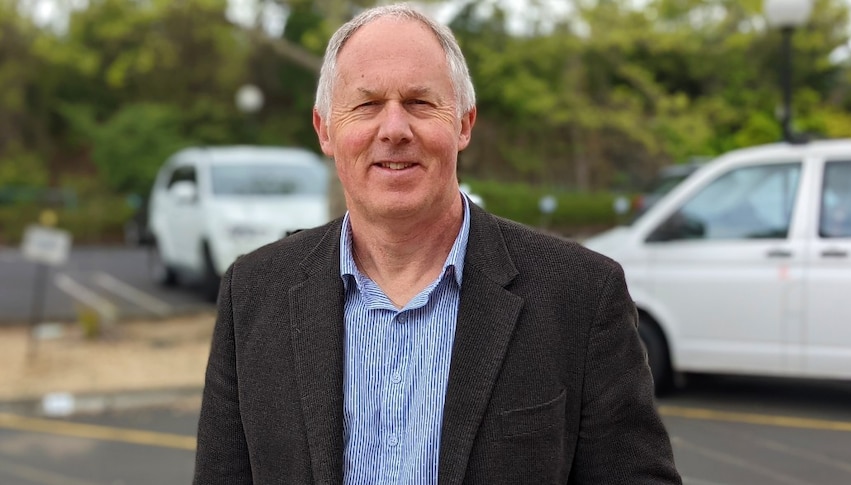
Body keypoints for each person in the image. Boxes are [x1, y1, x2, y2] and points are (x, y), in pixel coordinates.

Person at [193, 3, 681, 484]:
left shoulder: (581, 294)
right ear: (325, 130)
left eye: (420, 103)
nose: (394, 129)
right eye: (366, 105)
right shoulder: (253, 293)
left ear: (464, 124)